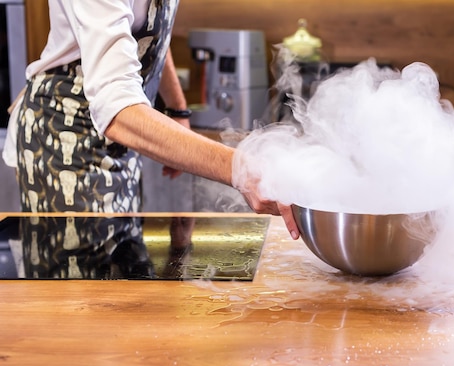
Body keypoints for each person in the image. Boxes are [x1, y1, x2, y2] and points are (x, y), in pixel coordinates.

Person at [3, 0, 299, 240]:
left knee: (119, 265)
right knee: (85, 293)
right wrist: (240, 169)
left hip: (120, 139)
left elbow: (142, 32)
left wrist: (178, 109)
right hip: (65, 139)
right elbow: (116, 108)